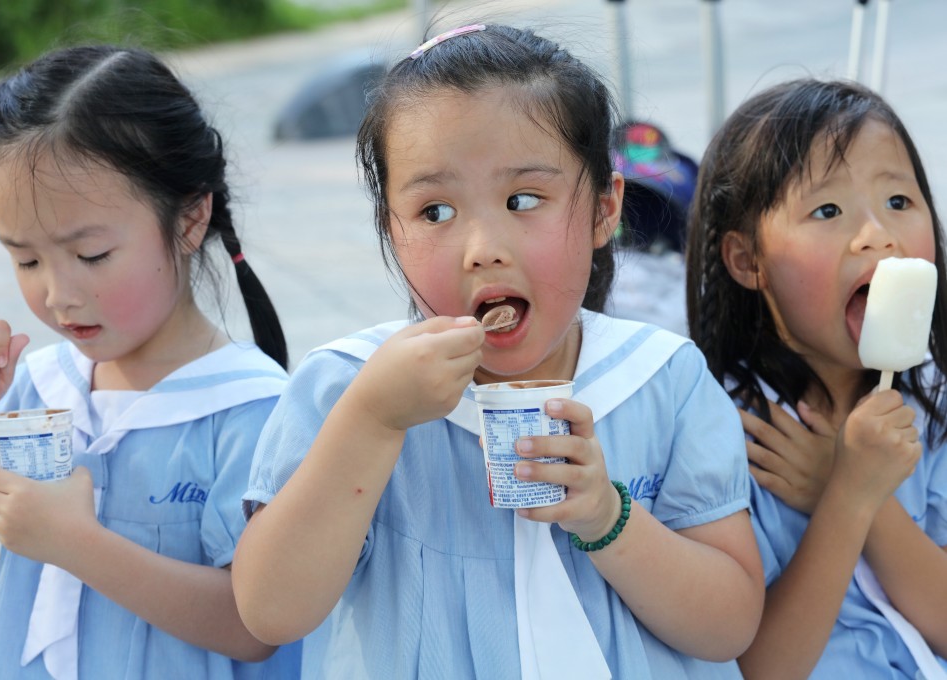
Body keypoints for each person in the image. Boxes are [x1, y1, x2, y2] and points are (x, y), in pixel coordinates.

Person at [233, 23, 764, 679]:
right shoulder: (345, 391)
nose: (483, 248)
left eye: (523, 199)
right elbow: (270, 613)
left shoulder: (664, 381)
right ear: (390, 230)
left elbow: (729, 626)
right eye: (435, 212)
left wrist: (609, 517)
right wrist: (370, 422)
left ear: (604, 210)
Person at [0, 45, 300, 679]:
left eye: (91, 255)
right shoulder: (41, 389)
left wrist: (77, 544)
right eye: (26, 260)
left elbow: (255, 625)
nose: (58, 294)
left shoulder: (251, 411)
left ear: (191, 218)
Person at [686, 78, 947, 678]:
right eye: (827, 211)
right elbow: (762, 669)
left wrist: (844, 485)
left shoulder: (933, 404)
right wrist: (847, 496)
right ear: (747, 260)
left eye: (899, 201)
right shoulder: (720, 429)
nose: (877, 234)